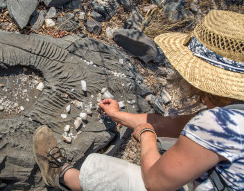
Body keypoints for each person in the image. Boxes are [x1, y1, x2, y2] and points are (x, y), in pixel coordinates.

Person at [33, 10, 244, 191]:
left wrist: (146, 135)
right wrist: (118, 116)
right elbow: (173, 125)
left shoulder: (219, 123)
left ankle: (61, 175)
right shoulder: (231, 114)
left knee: (110, 173)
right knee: (171, 145)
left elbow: (154, 183)